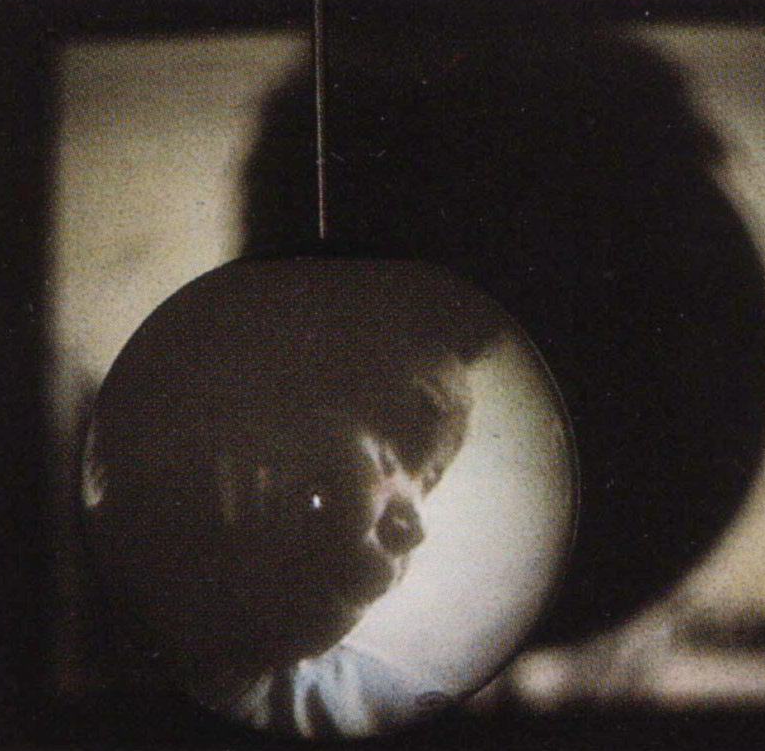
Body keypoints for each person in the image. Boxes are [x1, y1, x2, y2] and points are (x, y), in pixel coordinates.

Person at [82, 257, 506, 737]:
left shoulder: (394, 713)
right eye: (392, 452)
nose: (416, 528)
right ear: (239, 414)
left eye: (429, 481)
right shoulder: (44, 628)